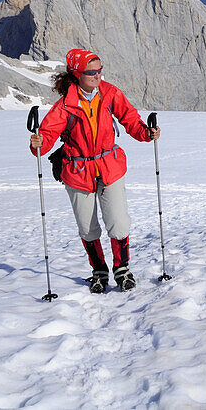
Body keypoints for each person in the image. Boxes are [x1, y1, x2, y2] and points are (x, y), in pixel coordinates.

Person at [29, 49, 160, 293]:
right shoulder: (65, 104)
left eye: (100, 70)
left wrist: (145, 132)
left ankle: (122, 269)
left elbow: (129, 117)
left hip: (109, 166)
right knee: (87, 227)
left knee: (118, 221)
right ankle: (99, 270)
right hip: (78, 171)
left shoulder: (110, 94)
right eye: (91, 72)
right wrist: (38, 144)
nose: (98, 75)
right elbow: (47, 134)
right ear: (76, 74)